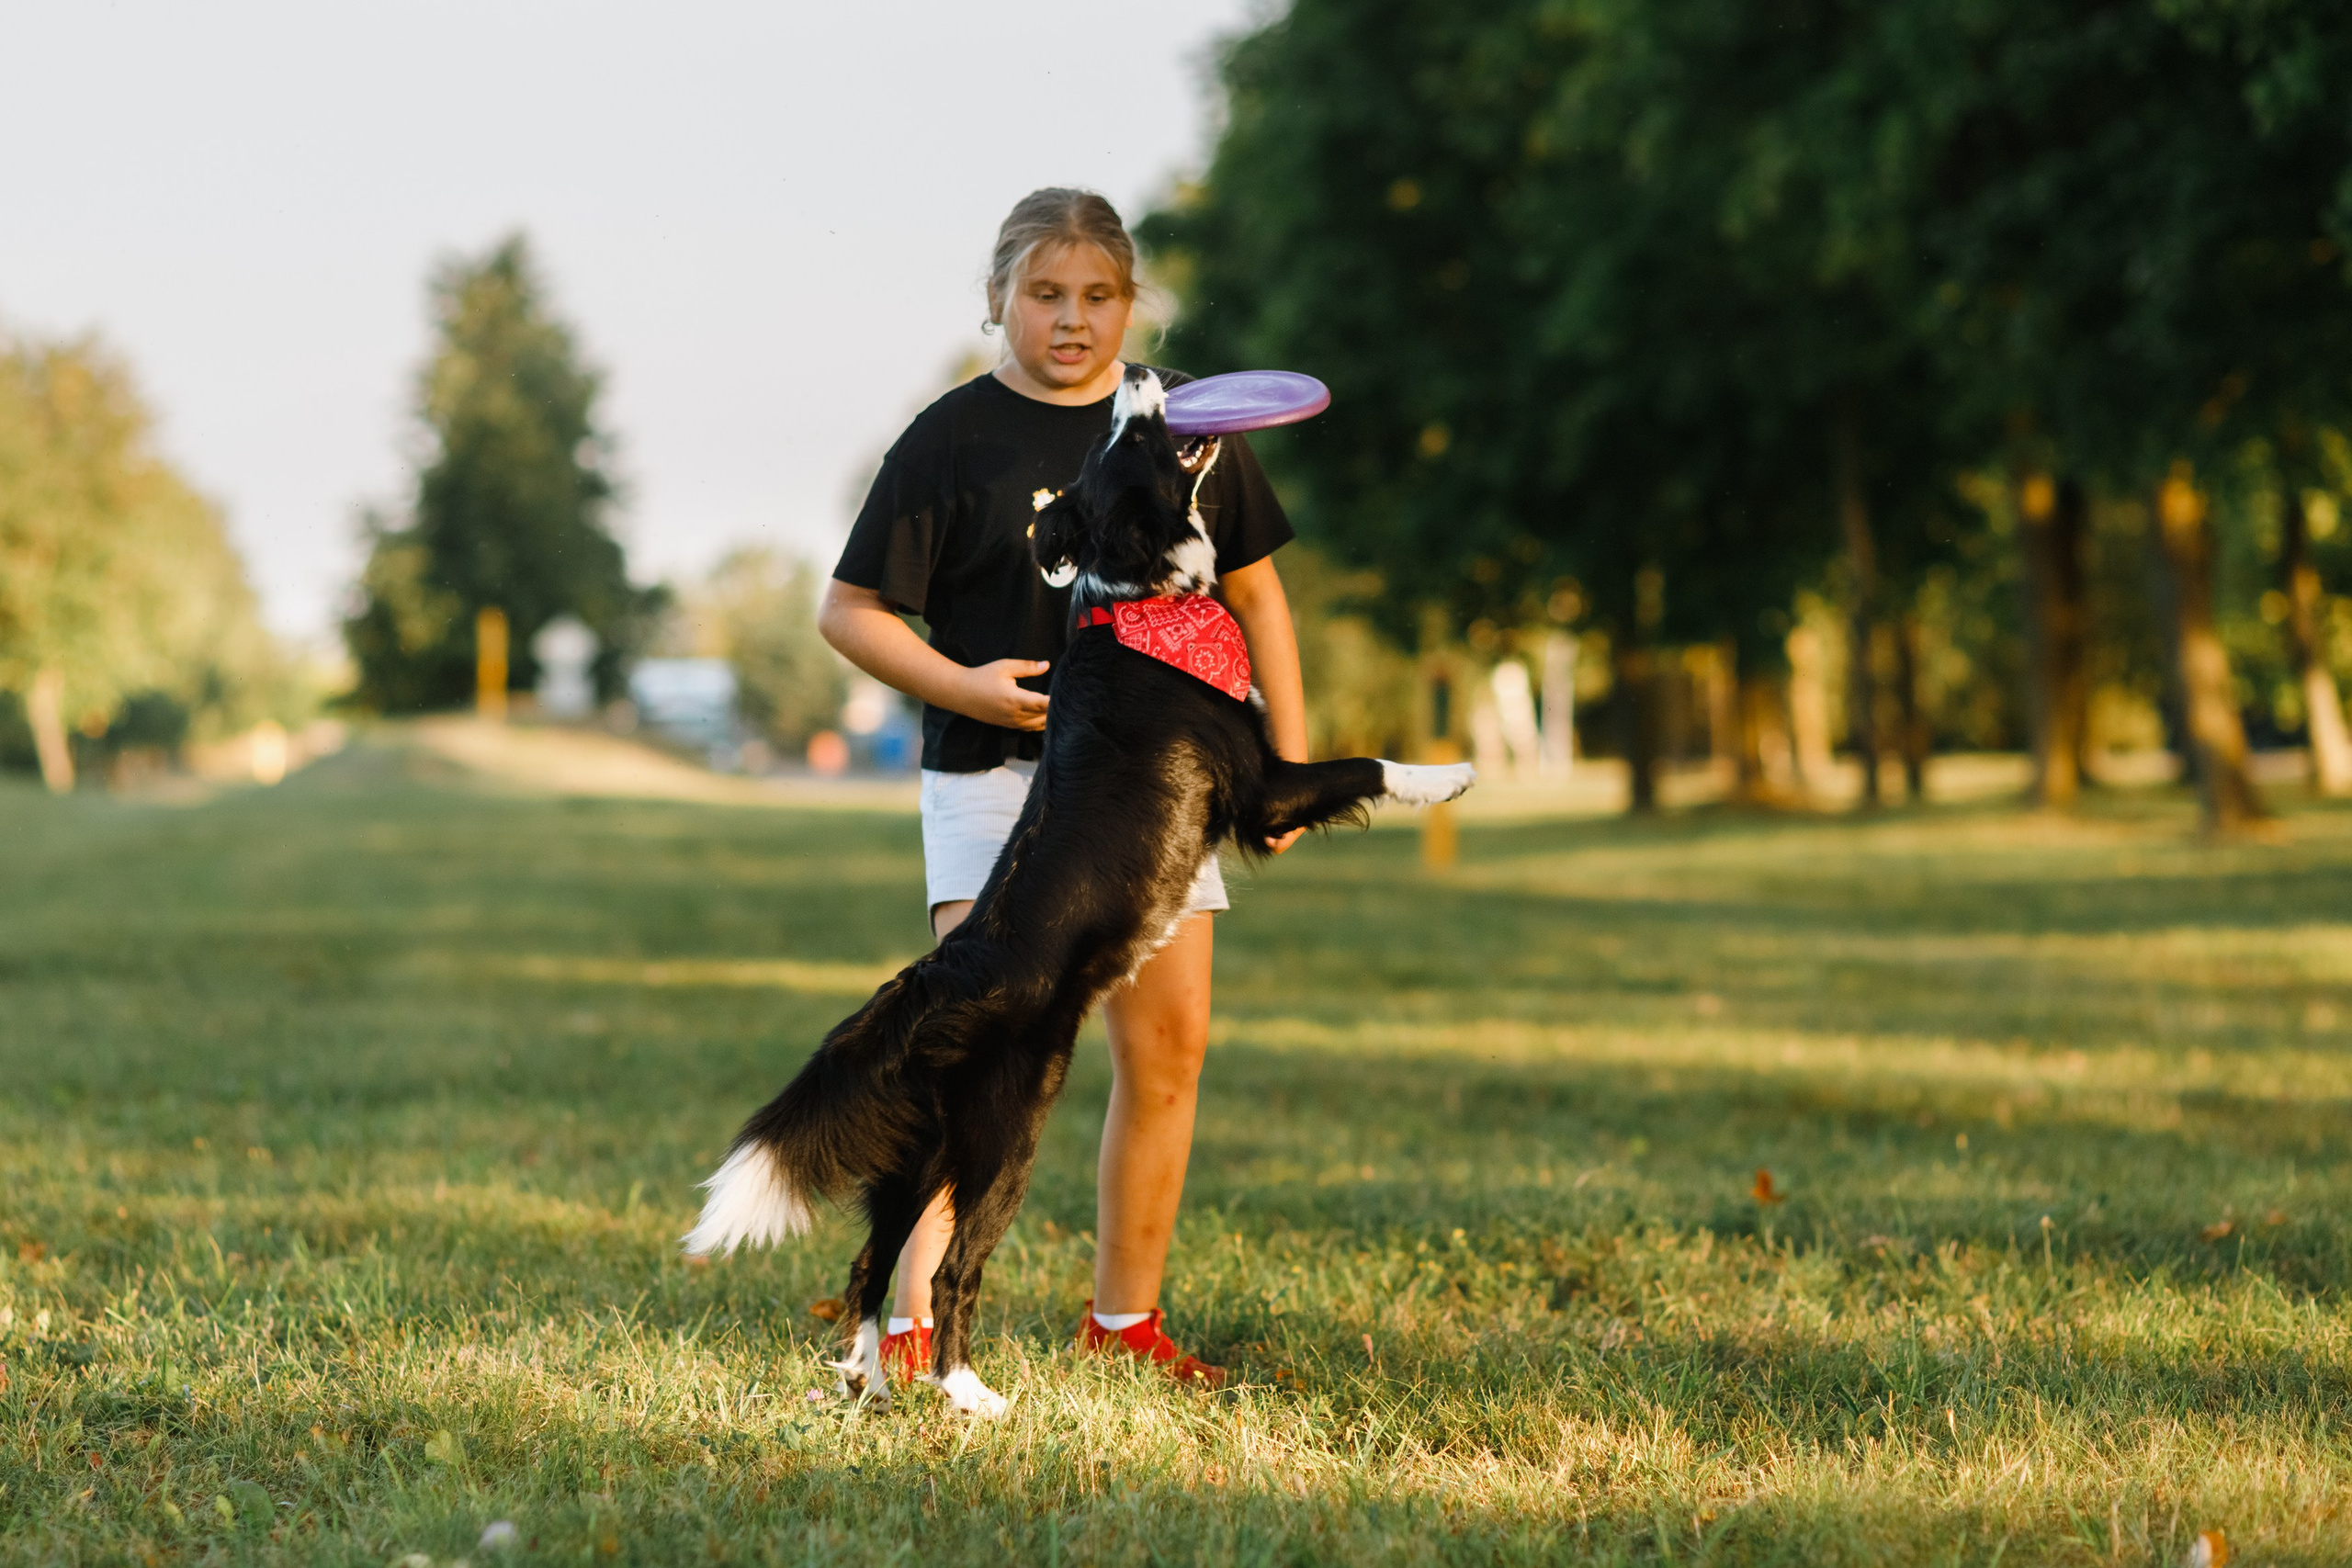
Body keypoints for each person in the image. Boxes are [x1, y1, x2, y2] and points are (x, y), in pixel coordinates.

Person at [820, 187, 1308, 1390]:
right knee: (975, 1052)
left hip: (1154, 795)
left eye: (1098, 296)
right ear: (998, 302)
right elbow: (850, 613)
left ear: (1132, 302)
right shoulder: (949, 440)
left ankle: (1125, 1322)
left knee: (1171, 1051)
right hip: (994, 785)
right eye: (1046, 295)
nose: (1073, 319)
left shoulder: (1185, 427)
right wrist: (968, 687)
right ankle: (914, 1323)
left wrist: (1285, 763)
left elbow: (1258, 601)